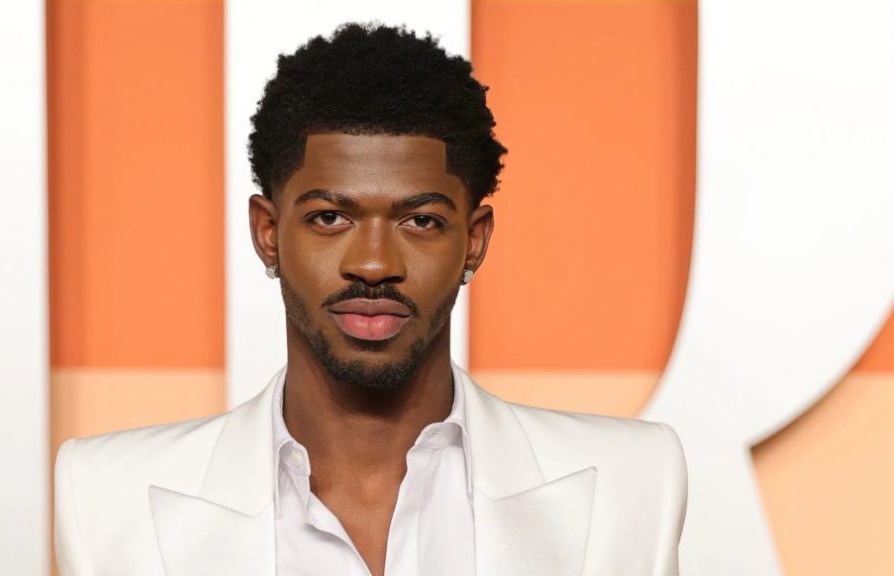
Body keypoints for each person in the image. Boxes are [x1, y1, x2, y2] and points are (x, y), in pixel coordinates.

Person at [54, 23, 687, 576]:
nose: (375, 265)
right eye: (330, 218)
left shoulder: (634, 481)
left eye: (421, 221)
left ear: (474, 240)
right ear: (268, 233)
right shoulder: (106, 496)